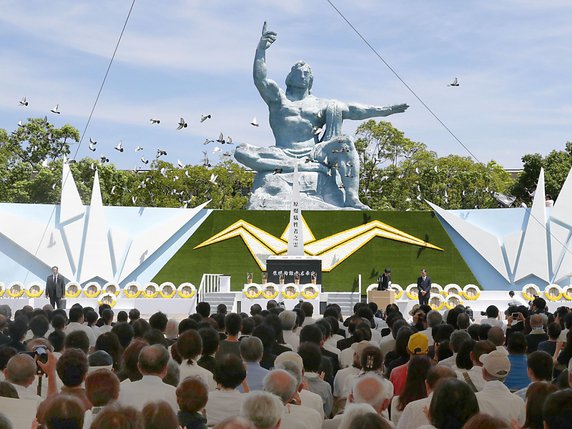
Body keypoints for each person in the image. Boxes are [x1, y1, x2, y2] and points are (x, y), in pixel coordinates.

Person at [234, 22, 408, 210]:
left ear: (311, 79)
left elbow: (356, 110)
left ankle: (351, 198)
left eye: (306, 73)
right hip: (281, 151)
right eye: (298, 72)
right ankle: (288, 165)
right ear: (289, 77)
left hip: (313, 153)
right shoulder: (278, 99)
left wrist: (385, 110)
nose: (302, 75)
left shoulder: (322, 104)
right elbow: (260, 79)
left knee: (345, 142)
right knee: (241, 151)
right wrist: (261, 49)